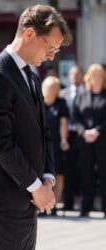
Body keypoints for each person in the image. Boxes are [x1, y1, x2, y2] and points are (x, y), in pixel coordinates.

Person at [0, 4, 72, 249]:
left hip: (27, 200)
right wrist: (36, 187)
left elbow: (44, 133)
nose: (51, 56)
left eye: (56, 51)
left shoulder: (31, 77)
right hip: (3, 201)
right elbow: (1, 143)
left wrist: (47, 179)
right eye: (50, 47)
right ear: (29, 34)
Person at [74, 63, 106, 217]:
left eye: (100, 75)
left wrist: (97, 131)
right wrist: (84, 132)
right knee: (86, 174)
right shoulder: (81, 96)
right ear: (89, 78)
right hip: (85, 141)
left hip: (103, 141)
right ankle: (86, 207)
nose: (97, 78)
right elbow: (76, 117)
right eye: (94, 75)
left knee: (104, 174)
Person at [42, 76, 69, 215]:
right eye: (49, 86)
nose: (52, 89)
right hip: (41, 143)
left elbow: (63, 124)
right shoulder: (39, 102)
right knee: (41, 173)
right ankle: (41, 205)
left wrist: (64, 140)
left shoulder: (61, 103)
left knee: (57, 174)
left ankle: (54, 205)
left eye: (55, 87)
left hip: (56, 144)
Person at [59, 65, 85, 210]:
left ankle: (85, 203)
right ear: (69, 76)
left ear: (82, 76)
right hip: (67, 136)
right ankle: (68, 203)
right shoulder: (63, 93)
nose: (75, 77)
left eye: (77, 74)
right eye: (72, 74)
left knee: (84, 169)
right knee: (67, 170)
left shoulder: (88, 92)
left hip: (82, 135)